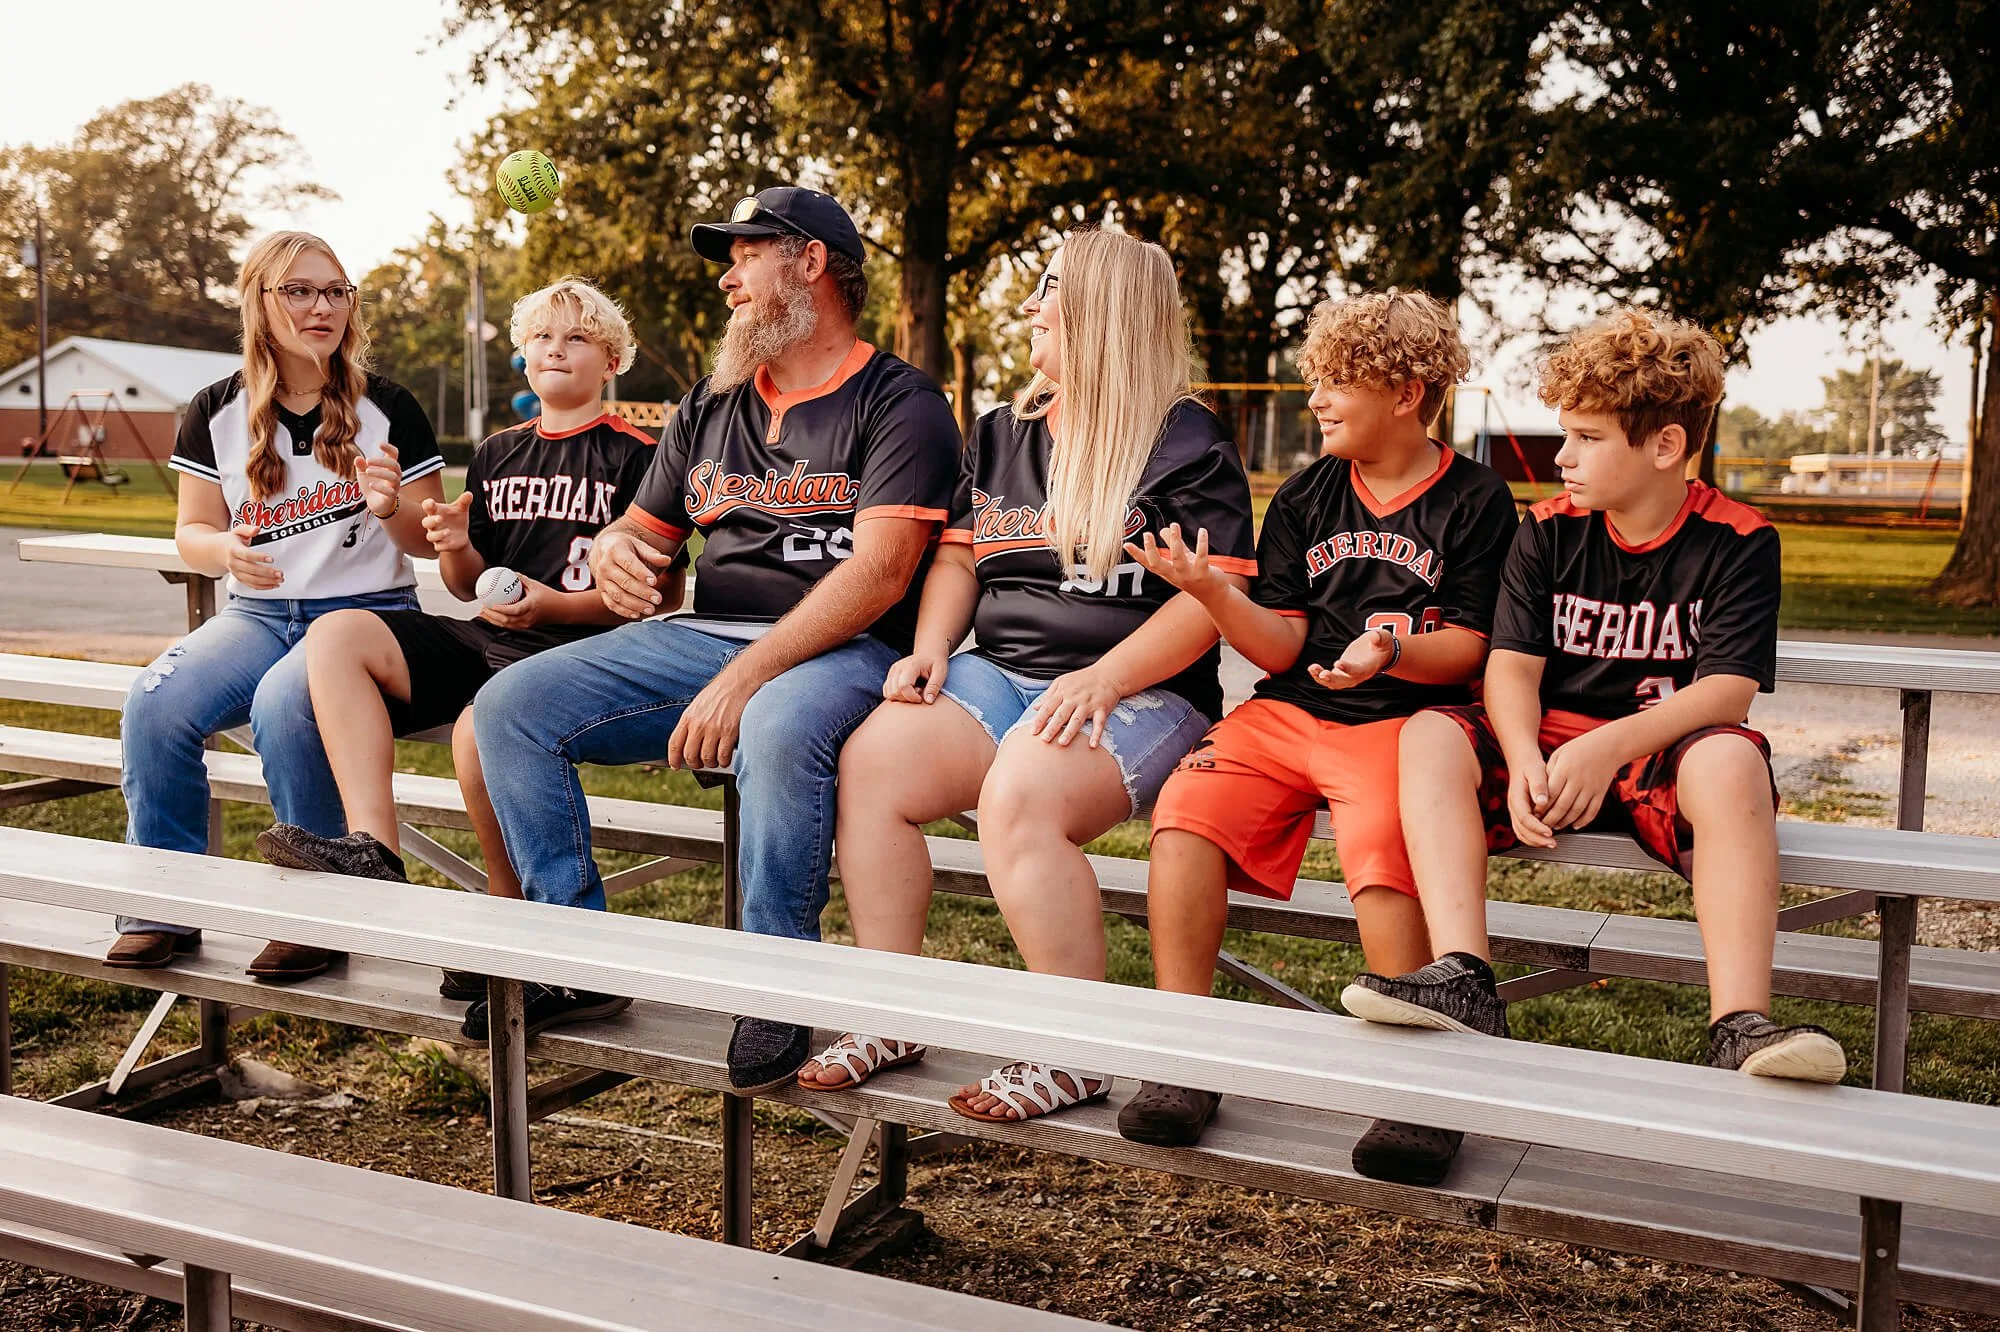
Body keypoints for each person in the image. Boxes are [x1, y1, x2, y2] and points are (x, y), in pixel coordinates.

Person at [464, 186, 960, 1075]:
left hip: (849, 649)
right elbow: (644, 530)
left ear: (809, 263)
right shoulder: (713, 400)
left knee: (771, 723)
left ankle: (774, 982)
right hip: (706, 635)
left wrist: (743, 679)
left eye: (746, 253)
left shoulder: (902, 400)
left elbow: (883, 572)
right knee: (509, 705)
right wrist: (618, 553)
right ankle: (575, 955)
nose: (727, 277)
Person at [795, 231, 1257, 1123]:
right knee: (872, 763)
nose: (1030, 305)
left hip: (1143, 692)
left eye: (1049, 289)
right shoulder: (1006, 429)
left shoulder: (1184, 438)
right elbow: (963, 560)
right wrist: (931, 646)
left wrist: (1110, 677)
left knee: (1020, 797)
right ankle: (890, 1009)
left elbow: (1212, 600)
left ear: (1102, 311)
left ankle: (1072, 1049)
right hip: (999, 672)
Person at [1344, 308, 1846, 1124]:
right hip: (1546, 755)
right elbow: (1509, 667)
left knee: (1731, 757)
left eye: (1586, 437)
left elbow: (1726, 694)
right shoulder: (1545, 531)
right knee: (1432, 732)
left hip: (1660, 753)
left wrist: (1607, 749)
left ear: (1665, 446)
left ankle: (1739, 1022)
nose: (1563, 456)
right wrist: (1521, 754)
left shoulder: (1739, 538)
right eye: (1563, 433)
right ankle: (1466, 975)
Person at [1117, 291, 1519, 1180]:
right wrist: (1215, 594)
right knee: (1186, 810)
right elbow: (1284, 639)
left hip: (1404, 721)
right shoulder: (1306, 492)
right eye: (1318, 382)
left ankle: (1419, 1088)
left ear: (1408, 392)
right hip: (1291, 710)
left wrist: (1392, 648)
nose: (1318, 400)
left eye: (1339, 382)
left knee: (1381, 841)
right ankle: (1185, 1054)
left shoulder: (1477, 500)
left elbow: (1473, 645)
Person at [253, 278, 679, 989]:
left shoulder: (638, 455)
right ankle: (372, 849)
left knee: (478, 729)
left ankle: (507, 907)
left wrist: (553, 607)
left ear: (612, 362)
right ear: (522, 357)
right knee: (338, 636)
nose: (556, 349)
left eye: (577, 338)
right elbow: (464, 583)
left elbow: (661, 594)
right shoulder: (497, 451)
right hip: (490, 636)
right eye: (542, 337)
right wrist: (453, 542)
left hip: (577, 653)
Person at [108, 230, 445, 970]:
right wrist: (222, 550)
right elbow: (191, 532)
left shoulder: (388, 406)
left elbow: (430, 545)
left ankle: (318, 914)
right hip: (258, 619)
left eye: (335, 291)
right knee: (153, 704)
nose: (321, 306)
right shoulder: (215, 408)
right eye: (298, 290)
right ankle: (163, 905)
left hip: (366, 618)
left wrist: (391, 508)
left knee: (282, 707)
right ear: (260, 302)